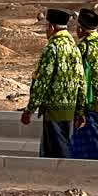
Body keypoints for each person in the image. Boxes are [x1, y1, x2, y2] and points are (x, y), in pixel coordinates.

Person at [21, 8, 85, 159]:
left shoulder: (52, 47)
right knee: (64, 144)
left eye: (46, 27)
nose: (45, 31)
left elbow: (42, 81)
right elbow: (81, 80)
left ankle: (61, 179)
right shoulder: (74, 47)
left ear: (52, 28)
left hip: (53, 108)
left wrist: (29, 110)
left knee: (56, 151)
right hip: (70, 108)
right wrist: (80, 110)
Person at [69, 8, 98, 160]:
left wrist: (79, 110)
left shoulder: (83, 48)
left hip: (88, 103)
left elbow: (80, 79)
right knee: (94, 138)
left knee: (88, 147)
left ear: (81, 29)